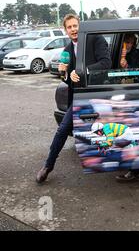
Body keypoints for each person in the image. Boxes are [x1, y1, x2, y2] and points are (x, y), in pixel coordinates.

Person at [36, 14, 112, 184]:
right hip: (79, 98)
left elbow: (106, 63)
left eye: (75, 25)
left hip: (100, 93)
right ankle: (48, 166)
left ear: (81, 26)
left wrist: (80, 71)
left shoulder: (95, 39)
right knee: (63, 130)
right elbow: (69, 81)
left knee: (114, 128)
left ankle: (132, 166)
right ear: (66, 30)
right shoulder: (67, 51)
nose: (73, 29)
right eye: (69, 27)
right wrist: (64, 73)